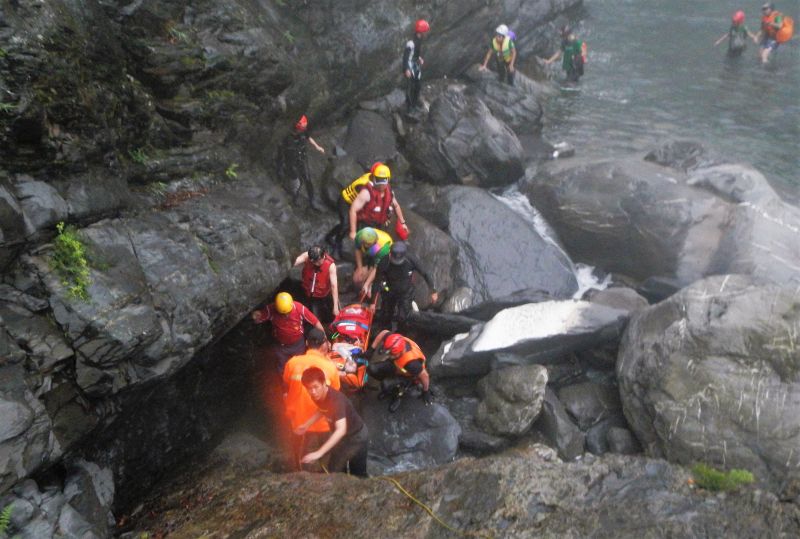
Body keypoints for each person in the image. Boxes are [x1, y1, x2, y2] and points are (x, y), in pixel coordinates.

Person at [282, 329, 341, 470]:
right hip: (321, 422)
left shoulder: (292, 363)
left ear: (307, 343)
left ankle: (298, 469)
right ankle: (323, 470)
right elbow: (335, 394)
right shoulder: (330, 367)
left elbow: (286, 385)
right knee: (325, 455)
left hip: (297, 420)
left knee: (299, 453)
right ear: (323, 345)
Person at [295, 366, 369, 477]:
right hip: (342, 439)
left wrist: (319, 452)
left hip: (357, 437)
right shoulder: (318, 396)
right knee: (335, 468)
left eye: (316, 387)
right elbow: (322, 409)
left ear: (324, 383)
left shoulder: (336, 401)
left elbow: (341, 430)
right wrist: (306, 425)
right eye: (309, 388)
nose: (313, 392)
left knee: (357, 473)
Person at [367, 241, 438, 331]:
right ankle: (386, 331)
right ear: (390, 254)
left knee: (403, 317)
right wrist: (372, 303)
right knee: (386, 315)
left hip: (405, 292)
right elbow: (376, 282)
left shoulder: (411, 260)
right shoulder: (384, 262)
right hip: (389, 290)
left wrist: (433, 291)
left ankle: (400, 333)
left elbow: (425, 273)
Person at [251, 292, 326, 373]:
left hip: (298, 344)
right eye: (283, 313)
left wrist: (324, 338)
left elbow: (315, 321)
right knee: (283, 365)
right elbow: (259, 317)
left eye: (288, 312)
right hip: (281, 346)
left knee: (299, 364)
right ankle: (284, 378)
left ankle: (299, 376)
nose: (286, 315)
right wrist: (255, 315)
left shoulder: (299, 308)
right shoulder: (271, 309)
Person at [324, 162, 382, 258]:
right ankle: (335, 243)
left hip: (355, 202)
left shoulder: (372, 180)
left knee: (353, 223)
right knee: (345, 224)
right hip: (345, 201)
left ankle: (333, 236)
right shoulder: (364, 185)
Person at [366, 330, 432, 413]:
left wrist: (426, 391)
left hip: (408, 375)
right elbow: (384, 332)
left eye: (392, 354)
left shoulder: (412, 364)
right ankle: (388, 386)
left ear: (400, 352)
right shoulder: (395, 340)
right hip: (397, 365)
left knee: (386, 384)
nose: (389, 356)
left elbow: (424, 375)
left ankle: (397, 396)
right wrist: (371, 350)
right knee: (371, 369)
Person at [277, 114, 326, 210]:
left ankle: (312, 201)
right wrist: (281, 165)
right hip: (292, 162)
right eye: (302, 128)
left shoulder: (303, 133)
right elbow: (282, 151)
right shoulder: (288, 138)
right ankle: (294, 198)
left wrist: (317, 147)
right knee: (297, 181)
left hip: (302, 159)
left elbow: (308, 137)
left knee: (308, 180)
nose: (303, 130)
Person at [348, 164, 407, 240]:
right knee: (366, 243)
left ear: (388, 180)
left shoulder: (389, 192)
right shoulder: (366, 193)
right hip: (366, 224)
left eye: (384, 180)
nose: (381, 184)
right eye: (378, 180)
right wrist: (353, 232)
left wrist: (403, 223)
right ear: (373, 179)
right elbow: (353, 210)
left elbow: (396, 206)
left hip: (379, 224)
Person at [294, 245, 340, 323]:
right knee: (312, 318)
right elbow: (296, 261)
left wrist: (335, 306)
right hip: (308, 292)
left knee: (331, 315)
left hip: (323, 294)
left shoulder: (330, 265)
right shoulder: (307, 256)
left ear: (323, 256)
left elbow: (334, 285)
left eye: (318, 261)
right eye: (314, 261)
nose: (316, 263)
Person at [353, 227, 392, 297]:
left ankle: (373, 285)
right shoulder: (360, 235)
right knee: (357, 278)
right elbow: (357, 249)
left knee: (370, 292)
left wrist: (367, 284)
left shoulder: (383, 248)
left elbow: (376, 268)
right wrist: (359, 268)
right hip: (370, 255)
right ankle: (364, 289)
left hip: (383, 257)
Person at [403, 19, 430, 112]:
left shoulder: (418, 41)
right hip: (410, 65)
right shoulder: (411, 43)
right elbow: (406, 57)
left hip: (415, 65)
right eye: (425, 31)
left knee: (417, 86)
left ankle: (414, 104)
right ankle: (409, 107)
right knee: (411, 86)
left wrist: (419, 58)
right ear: (421, 31)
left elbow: (415, 54)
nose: (426, 33)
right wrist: (406, 69)